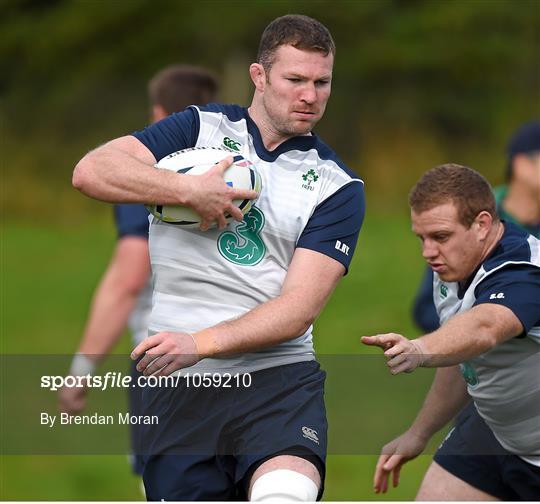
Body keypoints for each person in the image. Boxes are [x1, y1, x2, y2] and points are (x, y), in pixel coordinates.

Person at [72, 14, 365, 501]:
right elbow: (91, 171)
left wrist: (200, 343)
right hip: (176, 385)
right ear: (259, 76)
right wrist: (189, 190)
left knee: (286, 494)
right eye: (295, 80)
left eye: (322, 82)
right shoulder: (198, 128)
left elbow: (299, 310)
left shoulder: (337, 186)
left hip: (277, 383)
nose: (310, 96)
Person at [58, 65, 219, 475]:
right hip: (247, 356)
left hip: (166, 358)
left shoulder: (152, 176)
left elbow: (128, 280)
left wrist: (81, 371)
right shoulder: (241, 171)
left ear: (160, 116)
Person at [362, 163, 540, 500]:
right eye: (422, 238)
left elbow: (484, 328)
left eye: (440, 237)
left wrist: (418, 349)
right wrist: (419, 432)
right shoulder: (452, 266)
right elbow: (465, 354)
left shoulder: (524, 273)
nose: (428, 252)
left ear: (482, 225)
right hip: (492, 434)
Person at [412, 121, 540, 333]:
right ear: (522, 165)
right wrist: (492, 323)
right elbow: (427, 310)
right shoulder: (466, 216)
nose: (429, 251)